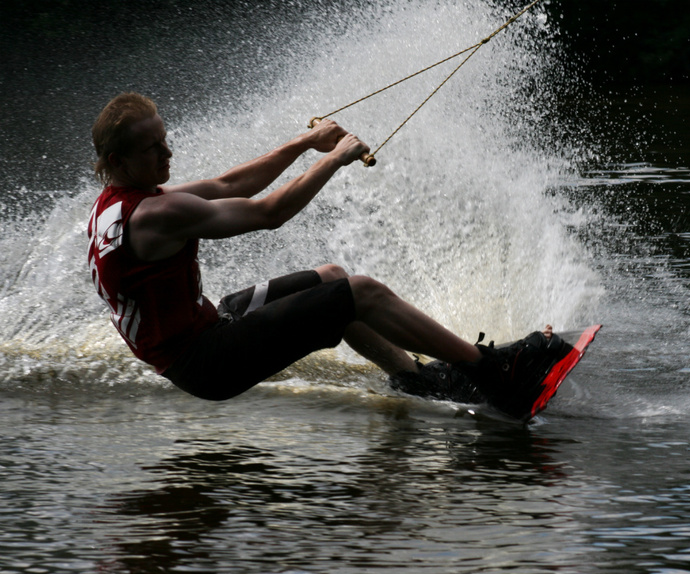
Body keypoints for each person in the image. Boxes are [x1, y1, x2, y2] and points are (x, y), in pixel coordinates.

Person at [87, 92, 564, 419]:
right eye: (153, 149)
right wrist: (333, 158)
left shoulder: (118, 203)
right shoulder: (155, 215)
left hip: (206, 330)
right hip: (206, 361)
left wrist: (303, 143)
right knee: (362, 293)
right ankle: (493, 372)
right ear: (118, 162)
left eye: (165, 139)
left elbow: (231, 185)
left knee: (332, 279)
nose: (167, 154)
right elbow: (269, 211)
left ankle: (415, 378)